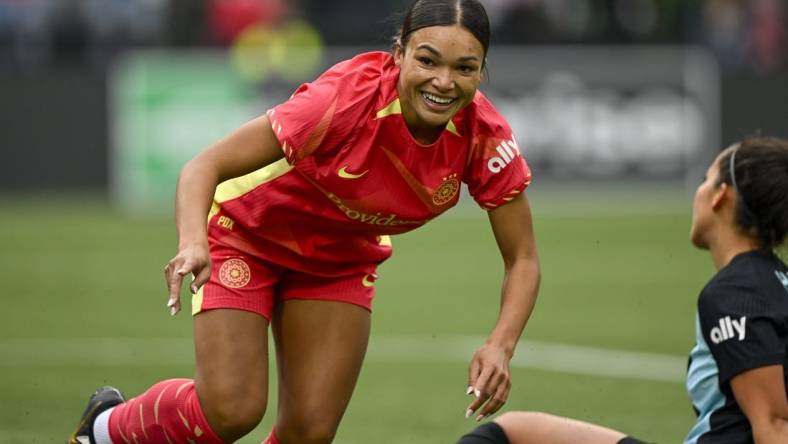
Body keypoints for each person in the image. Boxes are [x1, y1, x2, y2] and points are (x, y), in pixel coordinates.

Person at [66, 1, 541, 443]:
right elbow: (204, 166)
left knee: (309, 432)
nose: (444, 82)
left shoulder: (485, 138)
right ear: (398, 54)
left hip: (340, 260)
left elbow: (522, 258)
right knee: (233, 409)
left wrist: (500, 345)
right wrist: (192, 242)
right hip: (247, 234)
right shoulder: (344, 101)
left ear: (482, 70)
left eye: (464, 68)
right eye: (428, 61)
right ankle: (104, 429)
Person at [456, 136, 788, 444]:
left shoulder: (736, 293)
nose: (698, 191)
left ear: (721, 196)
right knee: (515, 430)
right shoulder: (773, 280)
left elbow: (773, 424)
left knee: (506, 436)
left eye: (705, 179)